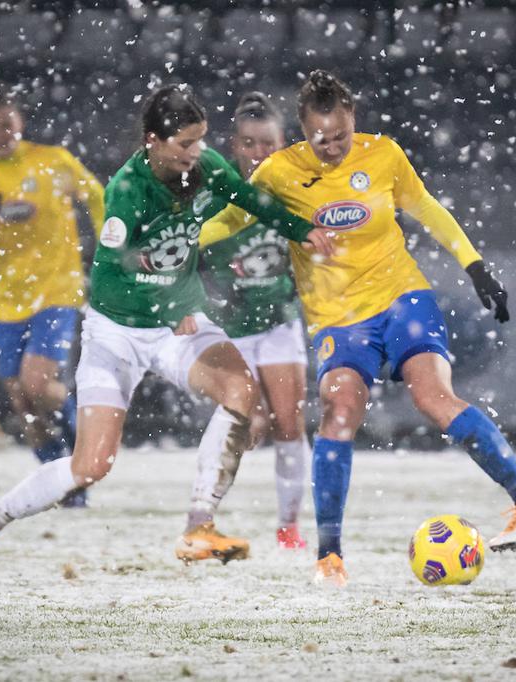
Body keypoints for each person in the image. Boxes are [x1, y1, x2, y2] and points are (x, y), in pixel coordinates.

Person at [0, 85, 333, 579]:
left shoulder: (206, 164)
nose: (197, 153)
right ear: (153, 140)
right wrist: (169, 303)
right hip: (117, 333)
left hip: (176, 326)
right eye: (186, 145)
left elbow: (254, 200)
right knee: (90, 466)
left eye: (200, 141)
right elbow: (117, 268)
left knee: (241, 392)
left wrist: (303, 230)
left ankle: (200, 525)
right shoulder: (127, 190)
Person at [203, 71, 516, 587]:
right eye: (320, 138)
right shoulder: (280, 171)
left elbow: (427, 209)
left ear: (354, 122)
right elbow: (233, 218)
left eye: (341, 136)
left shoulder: (383, 155)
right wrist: (184, 242)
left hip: (402, 299)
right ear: (303, 130)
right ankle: (330, 556)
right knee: (339, 411)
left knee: (435, 399)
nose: (331, 147)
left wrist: (475, 265)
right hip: (338, 320)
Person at [0, 89, 104, 507]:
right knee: (24, 404)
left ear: (21, 123)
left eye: (7, 124)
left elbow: (96, 195)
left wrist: (109, 242)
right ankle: (65, 487)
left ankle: (83, 448)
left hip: (57, 290)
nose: (0, 133)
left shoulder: (54, 161)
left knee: (37, 384)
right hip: (5, 301)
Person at [199, 93, 309, 550]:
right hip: (230, 327)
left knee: (290, 423)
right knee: (247, 424)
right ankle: (202, 517)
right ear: (235, 146)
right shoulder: (214, 194)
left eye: (267, 143)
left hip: (280, 322)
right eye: (249, 144)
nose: (259, 153)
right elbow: (184, 253)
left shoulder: (300, 191)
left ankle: (289, 527)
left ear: (284, 144)